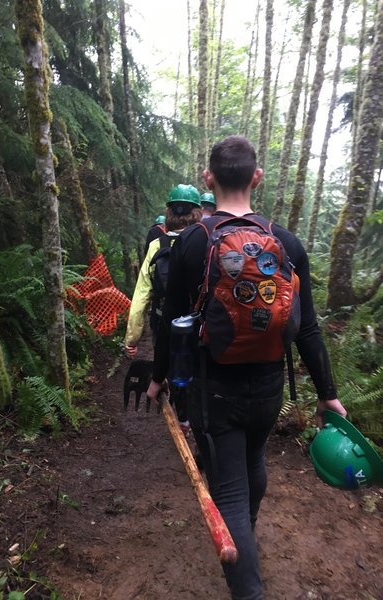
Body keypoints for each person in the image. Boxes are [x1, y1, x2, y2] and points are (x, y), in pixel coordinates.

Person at [147, 135, 347, 600]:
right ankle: (247, 535)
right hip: (269, 384)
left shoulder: (193, 242)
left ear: (208, 180)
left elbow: (171, 320)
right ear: (257, 178)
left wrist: (158, 379)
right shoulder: (286, 242)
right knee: (254, 460)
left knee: (229, 490)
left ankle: (248, 584)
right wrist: (327, 392)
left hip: (214, 386)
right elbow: (310, 329)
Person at [125, 184, 202, 435]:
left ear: (168, 213)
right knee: (197, 367)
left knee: (169, 359)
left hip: (163, 319)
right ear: (197, 213)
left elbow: (141, 295)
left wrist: (132, 338)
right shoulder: (206, 242)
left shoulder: (157, 245)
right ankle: (192, 418)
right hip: (198, 322)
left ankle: (179, 413)